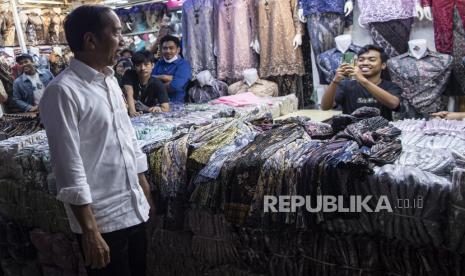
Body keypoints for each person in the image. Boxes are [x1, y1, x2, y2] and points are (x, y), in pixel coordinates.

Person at [39, 5, 154, 276]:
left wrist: (144, 186)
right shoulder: (62, 92)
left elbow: (127, 137)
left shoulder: (109, 81)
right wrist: (90, 230)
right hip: (104, 221)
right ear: (90, 40)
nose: (122, 39)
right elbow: (68, 166)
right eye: (115, 32)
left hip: (133, 207)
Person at [320, 44, 401, 121]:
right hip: (351, 133)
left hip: (381, 132)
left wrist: (362, 80)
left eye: (372, 60)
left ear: (383, 65)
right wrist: (335, 81)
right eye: (361, 60)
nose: (365, 63)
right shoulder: (345, 85)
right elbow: (325, 107)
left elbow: (394, 104)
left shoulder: (391, 86)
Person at [123, 50, 170, 116]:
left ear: (152, 65)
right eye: (138, 65)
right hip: (128, 112)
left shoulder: (157, 84)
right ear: (134, 66)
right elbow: (128, 93)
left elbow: (166, 108)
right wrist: (132, 111)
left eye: (146, 64)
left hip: (147, 114)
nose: (143, 68)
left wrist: (159, 109)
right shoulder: (129, 74)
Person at [152, 35, 192, 103]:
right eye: (165, 48)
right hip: (157, 104)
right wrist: (163, 77)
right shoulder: (159, 63)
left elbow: (175, 86)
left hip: (176, 104)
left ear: (178, 50)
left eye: (171, 48)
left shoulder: (183, 65)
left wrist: (157, 83)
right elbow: (149, 81)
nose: (168, 51)